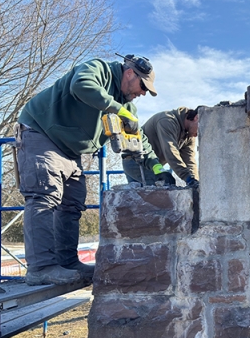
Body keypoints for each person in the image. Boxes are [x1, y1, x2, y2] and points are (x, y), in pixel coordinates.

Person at [16, 54, 173, 285]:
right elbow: (81, 85)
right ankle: (41, 267)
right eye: (143, 86)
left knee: (72, 203)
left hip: (70, 150)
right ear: (130, 73)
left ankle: (67, 262)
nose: (142, 93)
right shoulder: (99, 69)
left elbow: (140, 143)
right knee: (44, 196)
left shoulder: (128, 107)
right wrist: (118, 110)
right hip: (41, 132)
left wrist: (159, 169)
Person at [123, 107, 201, 187]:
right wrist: (187, 177)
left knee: (143, 197)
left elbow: (189, 160)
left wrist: (195, 181)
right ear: (196, 117)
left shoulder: (189, 135)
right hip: (137, 162)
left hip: (153, 165)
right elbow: (170, 152)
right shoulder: (167, 120)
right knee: (163, 188)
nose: (199, 134)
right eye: (201, 129)